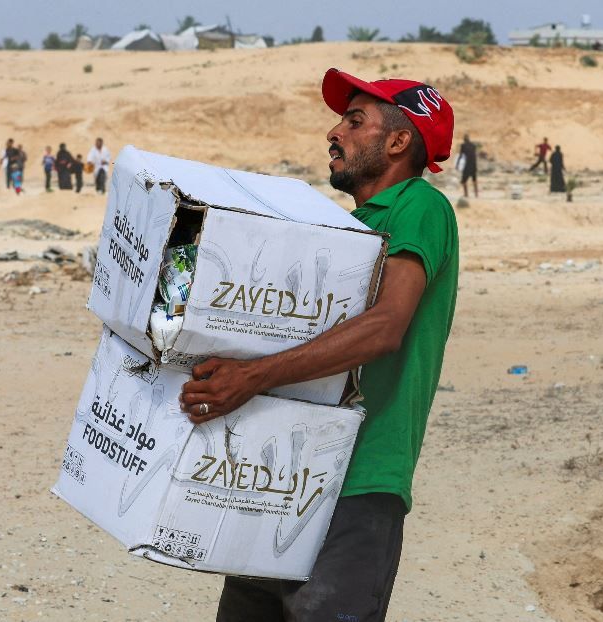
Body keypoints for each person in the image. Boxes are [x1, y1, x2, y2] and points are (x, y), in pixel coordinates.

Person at [180, 68, 458, 622]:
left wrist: (251, 376)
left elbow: (386, 327)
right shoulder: (344, 229)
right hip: (282, 472)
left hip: (358, 481)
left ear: (399, 141)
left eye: (356, 121)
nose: (335, 131)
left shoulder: (419, 208)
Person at [458, 133, 478, 198]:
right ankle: (476, 194)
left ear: (464, 140)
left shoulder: (463, 146)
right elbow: (474, 155)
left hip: (467, 165)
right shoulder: (473, 145)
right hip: (474, 165)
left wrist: (457, 164)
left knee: (463, 181)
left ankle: (466, 194)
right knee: (474, 180)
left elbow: (461, 156)